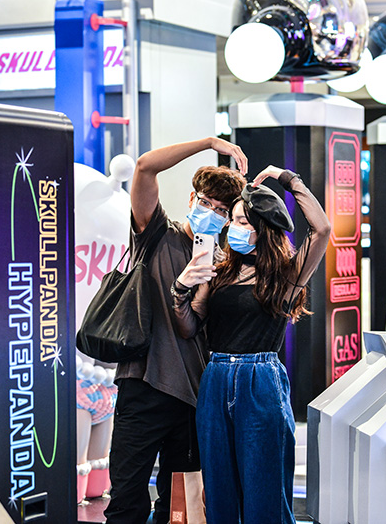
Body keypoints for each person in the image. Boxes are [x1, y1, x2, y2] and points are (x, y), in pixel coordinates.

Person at [172, 165, 330, 523]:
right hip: (215, 378)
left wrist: (287, 178)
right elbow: (189, 327)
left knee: (265, 489)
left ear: (264, 229)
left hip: (260, 381)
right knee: (219, 490)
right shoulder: (220, 270)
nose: (233, 227)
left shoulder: (285, 275)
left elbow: (321, 230)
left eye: (243, 222)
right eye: (234, 220)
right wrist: (180, 289)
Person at [104, 138, 247, 523]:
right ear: (191, 199)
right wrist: (210, 142)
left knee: (178, 508)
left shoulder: (223, 263)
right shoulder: (155, 233)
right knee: (126, 500)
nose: (211, 213)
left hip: (194, 397)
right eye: (206, 202)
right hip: (144, 383)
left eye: (222, 210)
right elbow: (145, 167)